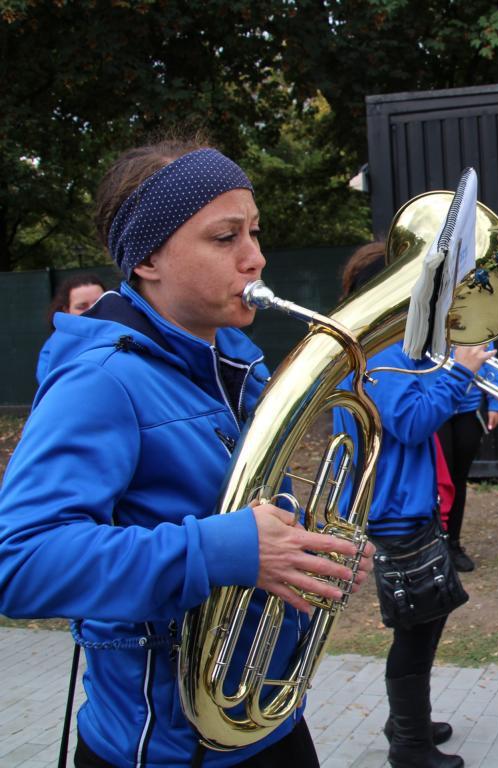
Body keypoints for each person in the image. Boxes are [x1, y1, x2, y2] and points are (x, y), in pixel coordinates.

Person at [0, 140, 372, 767]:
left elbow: (233, 513)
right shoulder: (100, 380)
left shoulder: (236, 364)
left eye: (254, 231)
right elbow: (20, 562)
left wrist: (308, 547)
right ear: (148, 258)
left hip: (267, 721)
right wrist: (225, 549)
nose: (255, 257)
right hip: (165, 751)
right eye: (225, 237)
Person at [337, 242, 494, 768]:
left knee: (428, 618)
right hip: (395, 512)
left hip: (409, 504)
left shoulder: (391, 353)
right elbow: (412, 422)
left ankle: (408, 721)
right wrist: (460, 373)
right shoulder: (377, 358)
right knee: (416, 630)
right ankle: (408, 746)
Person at [437, 342, 498, 572]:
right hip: (436, 410)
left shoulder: (477, 327)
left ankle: (453, 543)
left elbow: (492, 363)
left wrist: (495, 403)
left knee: (458, 480)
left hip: (468, 411)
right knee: (438, 482)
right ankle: (436, 545)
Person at [38, 274, 110, 382]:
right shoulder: (53, 348)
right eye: (81, 307)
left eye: (99, 303)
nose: (92, 310)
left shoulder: (126, 334)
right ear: (67, 310)